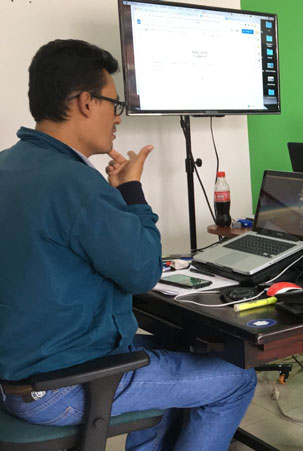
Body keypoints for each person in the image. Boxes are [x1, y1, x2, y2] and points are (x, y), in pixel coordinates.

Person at [0, 39, 256, 450]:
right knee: (238, 379)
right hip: (62, 385)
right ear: (86, 102)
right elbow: (142, 272)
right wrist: (132, 191)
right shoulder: (75, 183)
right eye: (113, 105)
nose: (117, 120)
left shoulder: (8, 165)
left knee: (175, 346)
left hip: (19, 372)